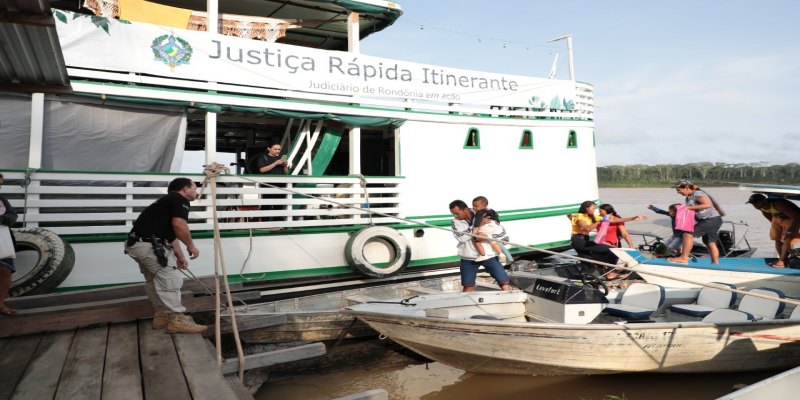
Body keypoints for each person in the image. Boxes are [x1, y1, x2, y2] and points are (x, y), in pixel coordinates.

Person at [124, 177, 206, 333]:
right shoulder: (178, 200)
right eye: (194, 188)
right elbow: (179, 225)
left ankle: (161, 316)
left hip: (139, 244)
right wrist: (191, 246)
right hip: (148, 245)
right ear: (185, 189)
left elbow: (171, 236)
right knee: (171, 280)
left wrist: (180, 256)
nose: (196, 192)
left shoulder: (165, 202)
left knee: (153, 280)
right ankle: (176, 320)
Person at [449, 200, 510, 292]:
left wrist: (487, 237)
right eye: (453, 214)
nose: (455, 216)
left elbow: (502, 231)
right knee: (468, 285)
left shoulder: (484, 214)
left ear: (465, 209)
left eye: (457, 213)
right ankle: (468, 304)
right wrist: (476, 226)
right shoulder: (455, 222)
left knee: (504, 282)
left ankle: (509, 298)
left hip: (489, 255)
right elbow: (461, 238)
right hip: (468, 257)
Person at [667, 180, 723, 265]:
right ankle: (715, 263)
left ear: (686, 187)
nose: (678, 192)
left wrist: (688, 208)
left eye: (679, 190)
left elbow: (707, 205)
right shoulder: (688, 197)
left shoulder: (697, 194)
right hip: (713, 220)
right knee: (709, 242)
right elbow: (693, 210)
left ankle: (683, 258)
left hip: (711, 219)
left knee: (687, 234)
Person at [746, 193, 800, 268]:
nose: (755, 205)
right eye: (753, 203)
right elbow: (770, 218)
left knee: (787, 239)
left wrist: (791, 230)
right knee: (777, 238)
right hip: (778, 219)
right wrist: (777, 229)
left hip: (792, 218)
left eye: (756, 202)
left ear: (764, 200)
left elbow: (796, 216)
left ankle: (782, 261)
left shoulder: (778, 203)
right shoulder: (761, 207)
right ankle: (782, 259)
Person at [570, 201, 621, 279]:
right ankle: (610, 271)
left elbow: (613, 220)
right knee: (610, 249)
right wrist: (600, 221)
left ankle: (584, 278)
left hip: (585, 239)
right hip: (578, 240)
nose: (594, 210)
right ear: (586, 208)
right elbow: (587, 228)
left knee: (586, 261)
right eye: (593, 208)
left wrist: (632, 218)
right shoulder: (579, 216)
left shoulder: (592, 215)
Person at [471, 196, 513, 263]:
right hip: (494, 226)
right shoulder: (491, 210)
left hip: (486, 227)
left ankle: (482, 254)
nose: (474, 208)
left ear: (484, 206)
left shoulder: (480, 212)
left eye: (476, 206)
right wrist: (497, 225)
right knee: (491, 241)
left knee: (476, 240)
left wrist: (474, 231)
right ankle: (501, 254)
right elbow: (497, 218)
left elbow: (477, 223)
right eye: (473, 206)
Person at [0, 173, 17, 316]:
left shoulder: (2, 200)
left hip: (3, 241)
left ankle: (0, 304)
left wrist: (2, 219)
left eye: (0, 184)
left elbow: (12, 216)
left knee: (5, 271)